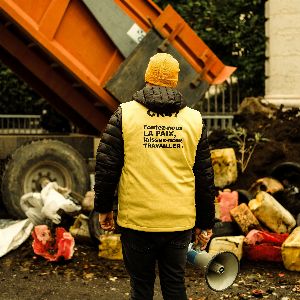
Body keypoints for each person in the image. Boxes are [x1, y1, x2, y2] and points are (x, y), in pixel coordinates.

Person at [94, 53, 215, 300]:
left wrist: (104, 208)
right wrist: (205, 223)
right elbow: (203, 177)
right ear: (175, 82)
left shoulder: (124, 114)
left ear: (147, 78)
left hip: (137, 221)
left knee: (141, 286)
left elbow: (107, 168)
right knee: (174, 285)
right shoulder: (194, 120)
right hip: (178, 223)